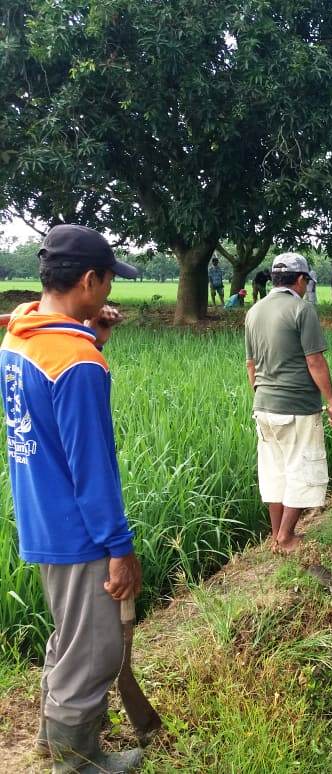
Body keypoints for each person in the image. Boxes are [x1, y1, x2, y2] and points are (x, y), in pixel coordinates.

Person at [1, 225, 145, 772]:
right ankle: (76, 762)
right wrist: (119, 546)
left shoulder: (21, 336)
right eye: (107, 282)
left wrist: (90, 332)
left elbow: (43, 414)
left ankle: (51, 739)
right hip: (79, 529)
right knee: (94, 650)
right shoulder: (78, 364)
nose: (110, 293)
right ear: (89, 279)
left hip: (41, 516)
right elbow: (92, 466)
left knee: (70, 633)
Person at [244, 253, 332, 553]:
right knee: (302, 470)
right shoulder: (302, 310)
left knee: (275, 472)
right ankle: (286, 537)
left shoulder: (254, 311)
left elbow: (251, 366)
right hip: (297, 406)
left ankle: (277, 536)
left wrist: (264, 397)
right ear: (300, 280)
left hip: (264, 406)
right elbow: (314, 361)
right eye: (306, 282)